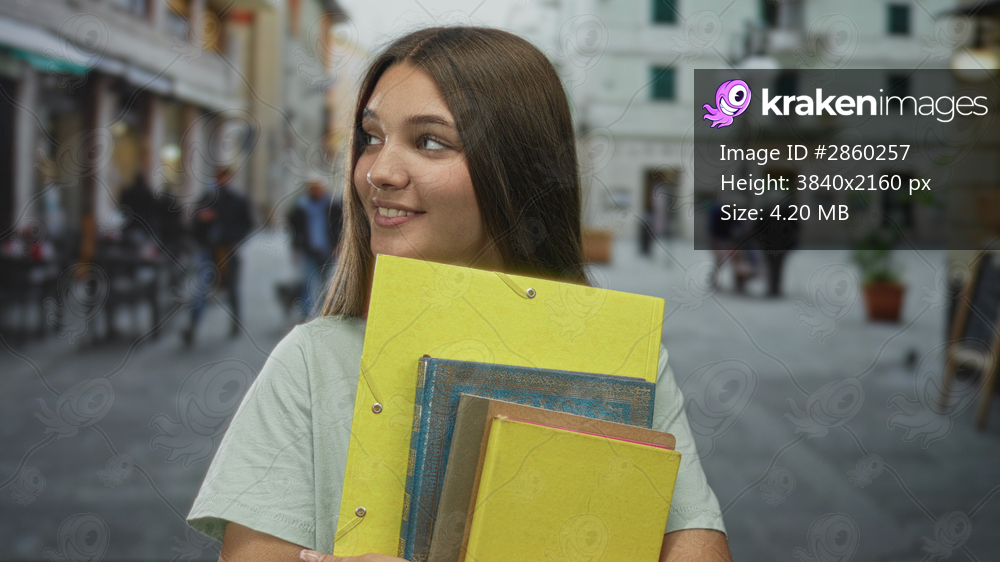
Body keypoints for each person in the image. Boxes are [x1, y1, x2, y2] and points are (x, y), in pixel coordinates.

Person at [186, 27, 731, 562]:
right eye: (371, 137)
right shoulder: (312, 363)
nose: (378, 171)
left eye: (430, 142)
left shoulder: (628, 362)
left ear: (517, 171)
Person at [182, 166, 254, 345]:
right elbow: (194, 222)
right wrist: (201, 220)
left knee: (232, 288)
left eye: (223, 177)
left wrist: (234, 239)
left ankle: (235, 321)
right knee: (202, 288)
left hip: (228, 250)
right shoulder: (207, 198)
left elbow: (247, 224)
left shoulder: (237, 199)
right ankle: (192, 325)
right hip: (209, 250)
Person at [287, 176, 343, 318]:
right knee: (307, 282)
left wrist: (339, 243)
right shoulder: (301, 207)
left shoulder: (333, 205)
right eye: (313, 187)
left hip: (328, 251)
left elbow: (341, 226)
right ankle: (306, 315)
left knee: (327, 285)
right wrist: (296, 248)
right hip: (308, 251)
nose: (316, 190)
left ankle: (325, 313)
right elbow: (294, 230)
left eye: (318, 187)